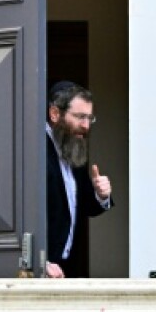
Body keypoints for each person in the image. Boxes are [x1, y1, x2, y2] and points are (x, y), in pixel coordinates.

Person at [45, 81, 113, 278]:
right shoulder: (34, 146)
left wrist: (101, 195)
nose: (85, 126)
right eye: (80, 117)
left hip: (69, 269)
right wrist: (40, 262)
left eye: (90, 118)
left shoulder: (72, 147)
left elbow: (83, 205)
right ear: (55, 114)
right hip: (43, 271)